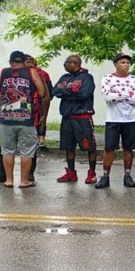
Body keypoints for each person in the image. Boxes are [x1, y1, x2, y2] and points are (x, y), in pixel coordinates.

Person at [96, 53, 135, 189]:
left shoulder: (134, 80)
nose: (126, 65)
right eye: (122, 62)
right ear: (115, 64)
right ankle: (105, 176)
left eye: (128, 63)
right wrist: (127, 95)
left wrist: (118, 95)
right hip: (113, 118)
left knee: (128, 148)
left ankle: (127, 175)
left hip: (131, 118)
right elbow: (107, 96)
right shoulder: (107, 79)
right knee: (109, 148)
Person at [0, 50, 46, 188]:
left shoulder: (2, 72)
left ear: (10, 62)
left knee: (7, 149)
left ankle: (9, 180)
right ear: (24, 62)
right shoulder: (31, 72)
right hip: (26, 118)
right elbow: (42, 92)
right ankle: (24, 180)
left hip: (6, 118)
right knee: (27, 150)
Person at [52, 55, 98, 184]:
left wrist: (65, 91)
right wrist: (73, 91)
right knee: (69, 147)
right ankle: (71, 172)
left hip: (82, 118)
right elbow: (55, 91)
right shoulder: (64, 77)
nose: (65, 65)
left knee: (89, 147)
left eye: (67, 62)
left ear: (75, 63)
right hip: (67, 117)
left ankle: (92, 173)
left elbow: (84, 94)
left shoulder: (87, 77)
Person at [23, 54, 51, 182]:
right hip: (17, 113)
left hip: (35, 112)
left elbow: (48, 94)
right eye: (26, 62)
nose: (29, 64)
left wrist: (44, 114)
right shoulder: (16, 75)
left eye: (31, 61)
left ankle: (29, 173)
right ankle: (3, 174)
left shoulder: (42, 74)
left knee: (31, 145)